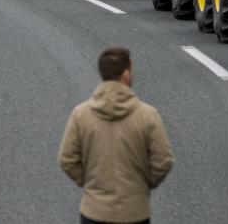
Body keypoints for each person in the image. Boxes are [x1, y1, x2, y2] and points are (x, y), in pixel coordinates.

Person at [59, 48, 173, 224]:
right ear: (126, 75)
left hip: (94, 211)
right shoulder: (147, 115)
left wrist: (90, 184)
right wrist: (143, 185)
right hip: (134, 212)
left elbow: (67, 159)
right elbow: (163, 160)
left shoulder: (81, 114)